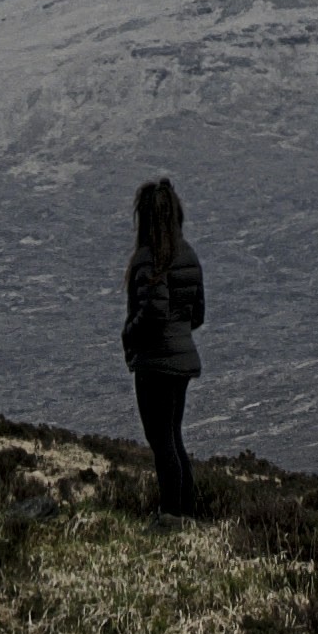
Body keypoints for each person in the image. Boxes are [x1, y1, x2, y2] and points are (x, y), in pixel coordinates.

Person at [122, 171, 207, 516]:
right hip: (182, 359)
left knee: (161, 441)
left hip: (156, 363)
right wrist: (179, 331)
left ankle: (171, 515)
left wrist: (130, 332)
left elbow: (153, 311)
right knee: (173, 437)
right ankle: (187, 512)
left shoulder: (149, 258)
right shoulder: (187, 254)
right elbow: (197, 313)